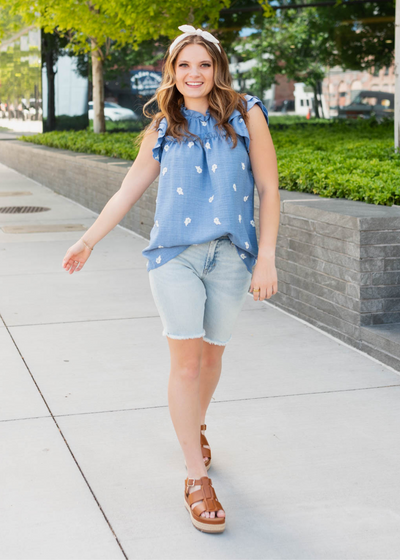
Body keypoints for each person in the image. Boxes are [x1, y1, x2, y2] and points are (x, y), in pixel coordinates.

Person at [62, 24, 280, 534]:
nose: (194, 73)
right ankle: (195, 477)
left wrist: (266, 255)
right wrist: (88, 239)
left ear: (218, 69)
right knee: (185, 365)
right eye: (185, 65)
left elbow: (269, 188)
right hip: (174, 257)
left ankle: (193, 425)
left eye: (204, 64)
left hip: (232, 255)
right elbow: (127, 190)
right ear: (172, 72)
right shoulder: (164, 126)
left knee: (212, 357)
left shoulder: (246, 115)